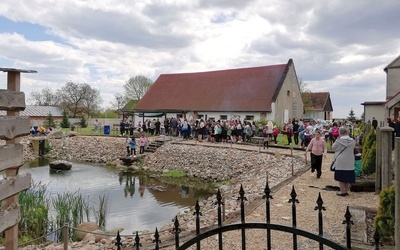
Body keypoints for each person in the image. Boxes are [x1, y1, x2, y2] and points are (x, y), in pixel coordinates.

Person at [332, 126, 355, 196]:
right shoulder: (352, 141)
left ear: (340, 132)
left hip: (341, 160)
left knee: (341, 176)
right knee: (347, 175)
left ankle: (342, 191)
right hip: (350, 159)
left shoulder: (339, 141)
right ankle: (346, 190)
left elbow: (333, 148)